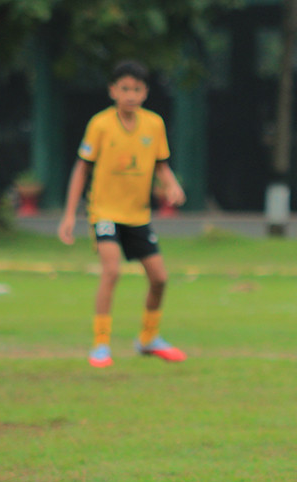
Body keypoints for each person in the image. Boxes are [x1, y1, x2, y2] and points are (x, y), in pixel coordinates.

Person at [57, 60, 187, 368]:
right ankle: (101, 344)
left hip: (138, 215)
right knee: (112, 271)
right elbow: (81, 169)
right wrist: (69, 214)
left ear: (145, 93)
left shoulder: (154, 124)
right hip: (104, 212)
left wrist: (172, 185)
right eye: (124, 89)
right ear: (113, 91)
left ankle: (148, 338)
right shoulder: (100, 124)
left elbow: (161, 165)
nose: (130, 95)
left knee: (160, 278)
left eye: (136, 89)